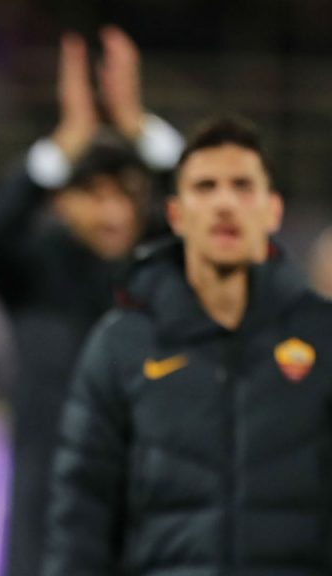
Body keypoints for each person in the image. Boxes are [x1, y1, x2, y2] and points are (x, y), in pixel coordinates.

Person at [44, 115, 332, 575]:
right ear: (176, 215)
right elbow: (81, 515)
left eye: (242, 186)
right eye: (205, 187)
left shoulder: (322, 335)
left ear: (273, 210)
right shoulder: (122, 345)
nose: (225, 203)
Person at [0, 26, 183, 576]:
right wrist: (63, 145)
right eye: (94, 194)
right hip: (47, 526)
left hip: (144, 522)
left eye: (125, 194)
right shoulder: (34, 271)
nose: (112, 211)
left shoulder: (162, 272)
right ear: (62, 201)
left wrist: (139, 128)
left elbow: (206, 216)